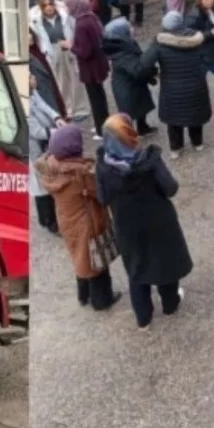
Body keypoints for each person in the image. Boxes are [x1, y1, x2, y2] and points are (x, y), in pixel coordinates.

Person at [94, 113, 193, 331]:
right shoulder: (148, 160)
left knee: (137, 270)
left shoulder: (103, 166)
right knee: (164, 262)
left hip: (127, 227)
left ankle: (144, 319)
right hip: (159, 222)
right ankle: (170, 304)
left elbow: (102, 198)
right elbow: (171, 188)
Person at [34, 124, 122, 310]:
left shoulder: (51, 167)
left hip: (67, 220)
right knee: (95, 262)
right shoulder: (78, 173)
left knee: (79, 256)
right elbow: (100, 191)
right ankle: (102, 300)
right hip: (87, 222)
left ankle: (83, 295)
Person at [141, 11, 213, 159]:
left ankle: (176, 148)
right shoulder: (196, 38)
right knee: (195, 114)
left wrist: (156, 72)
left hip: (171, 89)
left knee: (174, 119)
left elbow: (144, 64)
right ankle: (197, 143)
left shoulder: (159, 43)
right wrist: (201, 70)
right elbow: (208, 56)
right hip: (196, 85)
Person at [31, 0, 89, 120]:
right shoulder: (37, 21)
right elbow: (39, 38)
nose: (49, 7)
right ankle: (68, 110)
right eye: (45, 5)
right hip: (53, 49)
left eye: (50, 4)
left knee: (76, 79)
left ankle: (81, 110)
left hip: (68, 47)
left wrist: (73, 43)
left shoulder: (65, 15)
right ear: (41, 8)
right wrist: (45, 51)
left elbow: (75, 30)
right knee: (61, 82)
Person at [64, 0, 112, 139]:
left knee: (95, 99)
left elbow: (84, 52)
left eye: (68, 6)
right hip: (99, 64)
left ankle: (101, 130)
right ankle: (103, 124)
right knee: (100, 96)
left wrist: (70, 46)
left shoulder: (81, 25)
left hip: (90, 68)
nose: (66, 9)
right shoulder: (90, 17)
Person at [29, 65, 68, 235]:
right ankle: (49, 221)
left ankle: (55, 215)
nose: (34, 79)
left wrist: (57, 117)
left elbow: (44, 106)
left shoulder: (33, 93)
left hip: (46, 143)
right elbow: (37, 131)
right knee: (41, 184)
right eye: (31, 77)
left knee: (49, 178)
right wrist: (57, 131)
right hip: (35, 149)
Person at [102, 16, 157, 135]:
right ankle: (128, 136)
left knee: (141, 107)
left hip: (133, 84)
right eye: (128, 28)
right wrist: (151, 60)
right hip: (127, 87)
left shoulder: (124, 44)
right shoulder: (121, 52)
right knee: (129, 113)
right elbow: (137, 69)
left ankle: (143, 128)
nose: (132, 29)